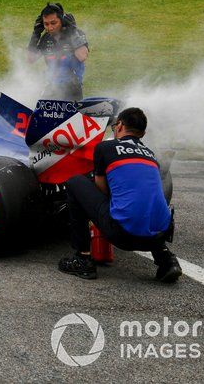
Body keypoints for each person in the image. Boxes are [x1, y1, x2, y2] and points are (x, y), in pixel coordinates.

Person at [58, 107, 182, 282]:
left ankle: (83, 258)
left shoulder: (105, 147)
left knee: (75, 183)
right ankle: (166, 259)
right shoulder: (151, 155)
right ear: (143, 133)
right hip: (159, 235)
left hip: (123, 236)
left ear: (120, 125)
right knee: (146, 200)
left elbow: (101, 189)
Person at [27, 2, 89, 101]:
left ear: (62, 21)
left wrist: (73, 31)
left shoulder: (76, 34)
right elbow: (31, 59)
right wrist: (36, 34)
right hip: (51, 88)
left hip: (72, 90)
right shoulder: (46, 38)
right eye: (46, 24)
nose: (50, 28)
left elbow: (82, 56)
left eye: (53, 23)